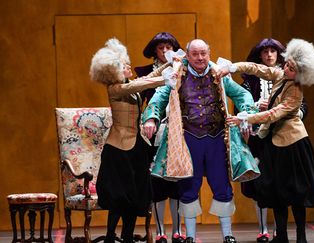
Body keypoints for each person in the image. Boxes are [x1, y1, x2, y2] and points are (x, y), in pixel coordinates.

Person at [141, 39, 258, 243]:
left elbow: (242, 95)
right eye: (195, 54)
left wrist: (246, 115)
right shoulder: (178, 74)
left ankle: (228, 235)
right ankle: (190, 237)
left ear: (209, 53)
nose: (200, 58)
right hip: (189, 139)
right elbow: (159, 97)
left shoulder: (219, 73)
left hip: (216, 139)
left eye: (203, 53)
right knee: (188, 186)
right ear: (187, 55)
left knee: (222, 185)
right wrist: (151, 117)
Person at [223, 38, 314, 243]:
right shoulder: (280, 74)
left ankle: (301, 237)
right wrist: (232, 66)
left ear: (300, 73)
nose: (285, 68)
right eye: (287, 64)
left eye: (291, 68)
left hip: (292, 143)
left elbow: (274, 114)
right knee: (277, 192)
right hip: (273, 141)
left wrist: (246, 117)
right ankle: (282, 236)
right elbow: (257, 69)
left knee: (297, 192)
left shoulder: (296, 90)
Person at [90, 38, 166, 243]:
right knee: (119, 197)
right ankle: (109, 236)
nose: (129, 67)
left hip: (136, 147)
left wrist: (170, 65)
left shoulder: (128, 84)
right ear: (114, 71)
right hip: (118, 149)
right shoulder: (115, 89)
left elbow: (148, 77)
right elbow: (141, 84)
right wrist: (166, 80)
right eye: (124, 66)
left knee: (134, 195)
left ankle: (127, 237)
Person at [239, 38, 308, 242]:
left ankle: (300, 236)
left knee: (295, 188)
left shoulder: (295, 83)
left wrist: (291, 113)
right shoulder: (261, 78)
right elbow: (245, 94)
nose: (270, 55)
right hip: (263, 138)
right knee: (270, 188)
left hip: (290, 139)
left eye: (273, 51)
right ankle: (272, 232)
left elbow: (285, 110)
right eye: (265, 52)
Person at [134, 32, 185, 243]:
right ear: (154, 50)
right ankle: (161, 231)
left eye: (168, 47)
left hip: (178, 131)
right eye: (160, 48)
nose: (165, 51)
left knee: (178, 183)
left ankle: (177, 231)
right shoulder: (145, 73)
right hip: (153, 132)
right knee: (157, 184)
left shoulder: (183, 69)